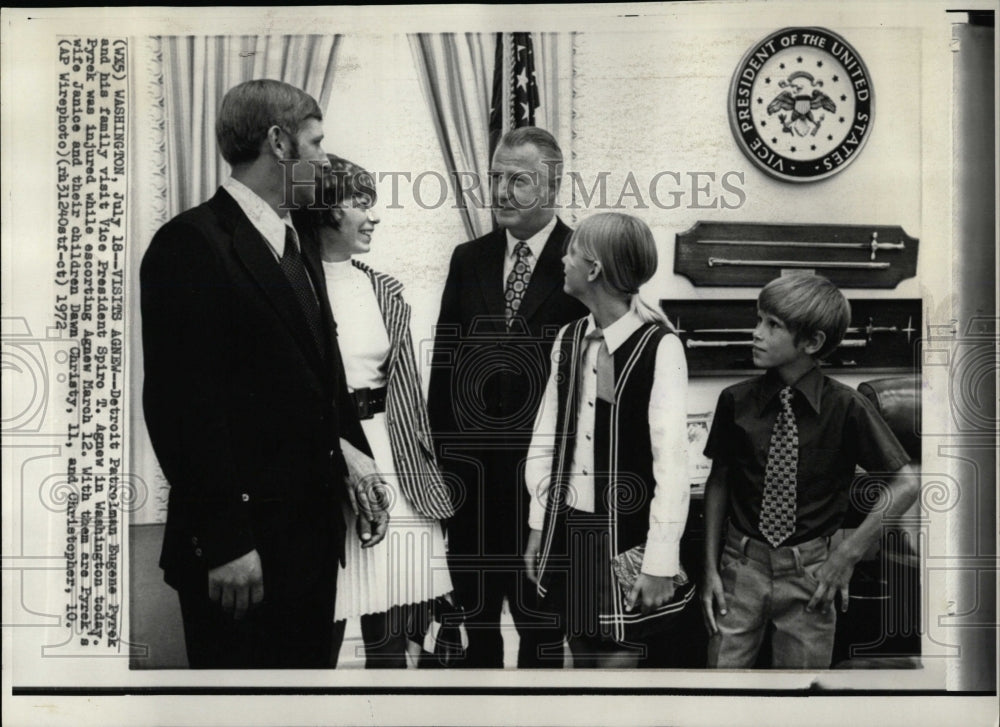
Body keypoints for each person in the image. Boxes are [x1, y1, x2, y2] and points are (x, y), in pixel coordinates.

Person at [140, 79, 387, 669]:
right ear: (280, 143)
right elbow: (179, 410)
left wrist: (352, 452)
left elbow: (312, 375)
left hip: (311, 546)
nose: (325, 158)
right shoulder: (190, 244)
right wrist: (228, 544)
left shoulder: (297, 236)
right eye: (317, 143)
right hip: (240, 558)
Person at [699, 273, 920, 669]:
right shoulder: (735, 401)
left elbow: (906, 483)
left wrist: (848, 556)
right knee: (720, 684)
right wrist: (710, 570)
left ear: (813, 342)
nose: (756, 334)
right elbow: (719, 483)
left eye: (773, 325)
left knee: (801, 693)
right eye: (758, 320)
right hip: (740, 567)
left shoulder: (847, 407)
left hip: (812, 576)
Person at [427, 127, 587, 668]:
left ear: (554, 183)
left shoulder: (584, 260)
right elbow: (443, 370)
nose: (501, 191)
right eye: (495, 177)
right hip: (471, 489)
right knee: (476, 636)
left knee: (542, 633)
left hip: (543, 494)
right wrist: (444, 475)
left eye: (519, 180)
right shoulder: (467, 258)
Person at [294, 155, 455, 668]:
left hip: (391, 460)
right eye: (360, 203)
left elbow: (407, 393)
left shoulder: (383, 288)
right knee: (318, 626)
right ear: (323, 211)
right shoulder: (289, 284)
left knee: (393, 631)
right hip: (323, 461)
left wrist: (427, 482)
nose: (373, 216)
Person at [523, 212, 693, 668]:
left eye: (572, 251)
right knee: (581, 653)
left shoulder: (661, 347)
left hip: (628, 534)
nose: (563, 258)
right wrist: (540, 526)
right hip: (573, 529)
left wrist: (660, 560)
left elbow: (673, 465)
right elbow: (547, 440)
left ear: (594, 269)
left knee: (621, 659)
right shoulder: (570, 338)